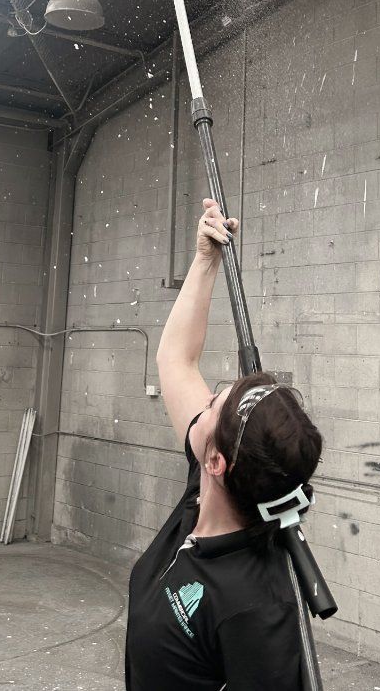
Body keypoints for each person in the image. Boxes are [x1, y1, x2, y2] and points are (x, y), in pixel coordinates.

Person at [125, 198, 324, 690]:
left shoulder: (256, 610)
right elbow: (175, 360)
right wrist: (205, 261)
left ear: (216, 459)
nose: (205, 397)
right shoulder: (211, 488)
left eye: (214, 403)